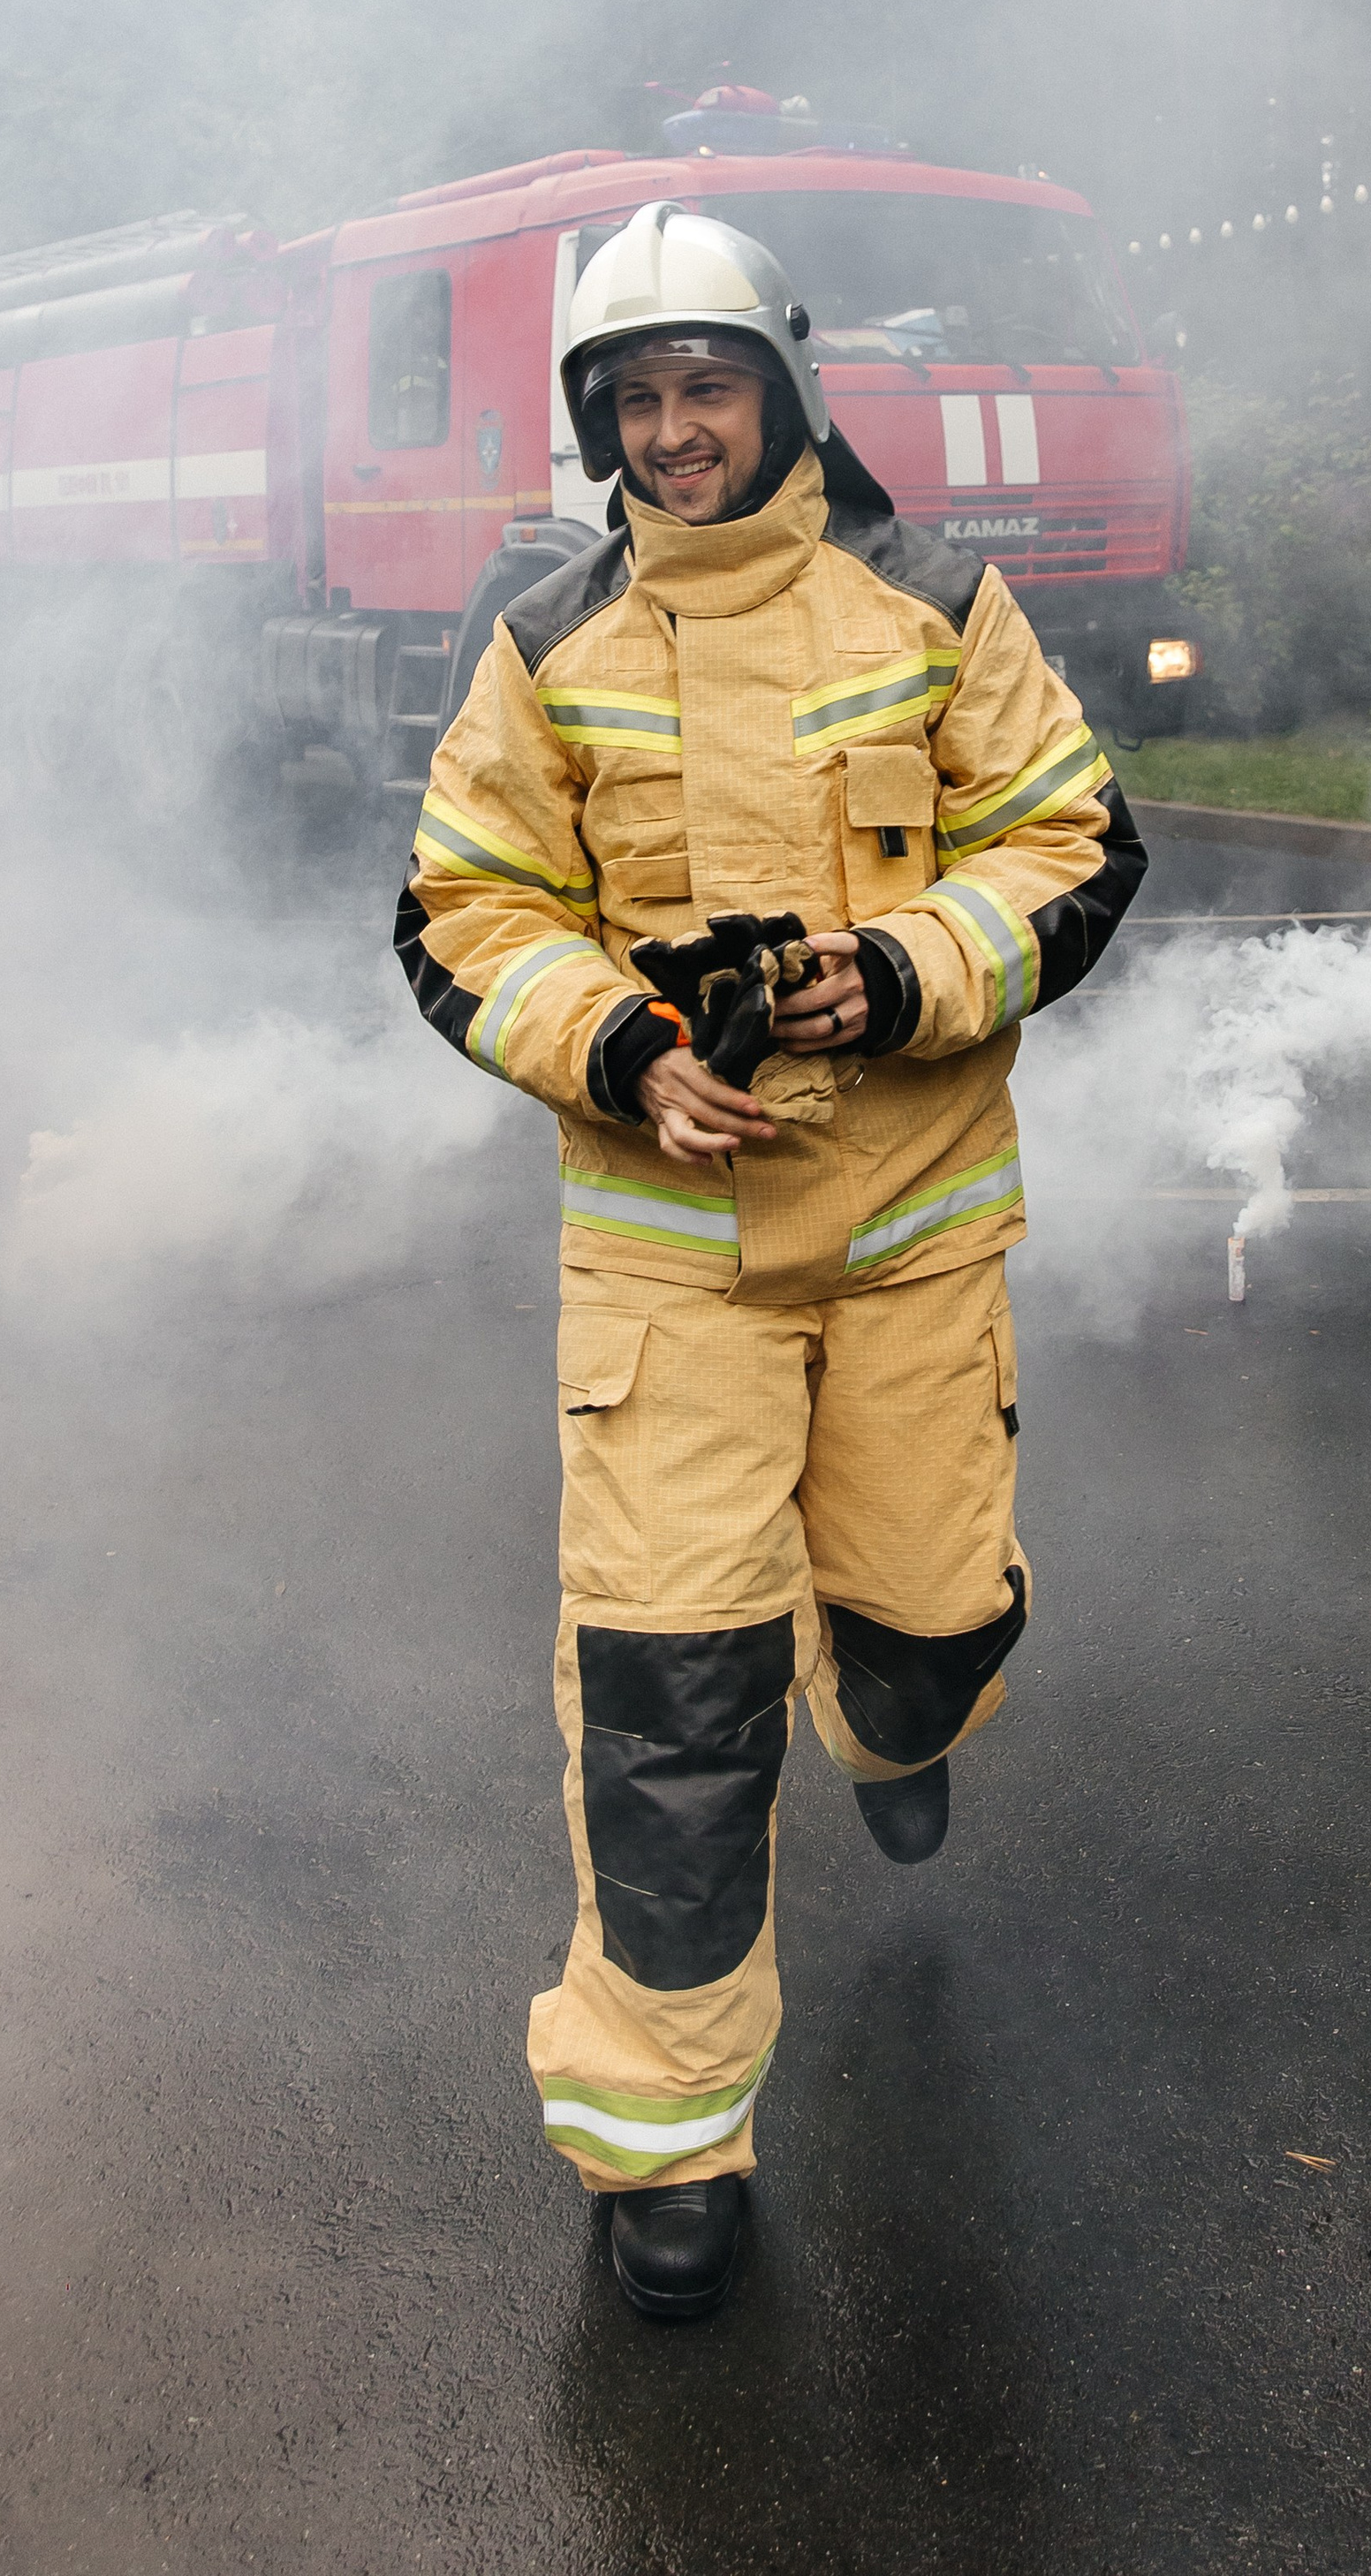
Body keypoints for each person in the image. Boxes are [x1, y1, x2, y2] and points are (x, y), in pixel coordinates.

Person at [396, 200, 1147, 2318]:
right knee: (668, 1709)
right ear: (594, 420)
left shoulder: (931, 602)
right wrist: (626, 1047)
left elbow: (1074, 839)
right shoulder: (543, 640)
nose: (671, 427)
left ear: (783, 387)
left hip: (911, 1258)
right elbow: (459, 913)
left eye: (704, 384)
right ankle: (661, 2137)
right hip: (668, 1294)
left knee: (926, 1626)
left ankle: (893, 1722)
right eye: (632, 397)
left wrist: (899, 977)